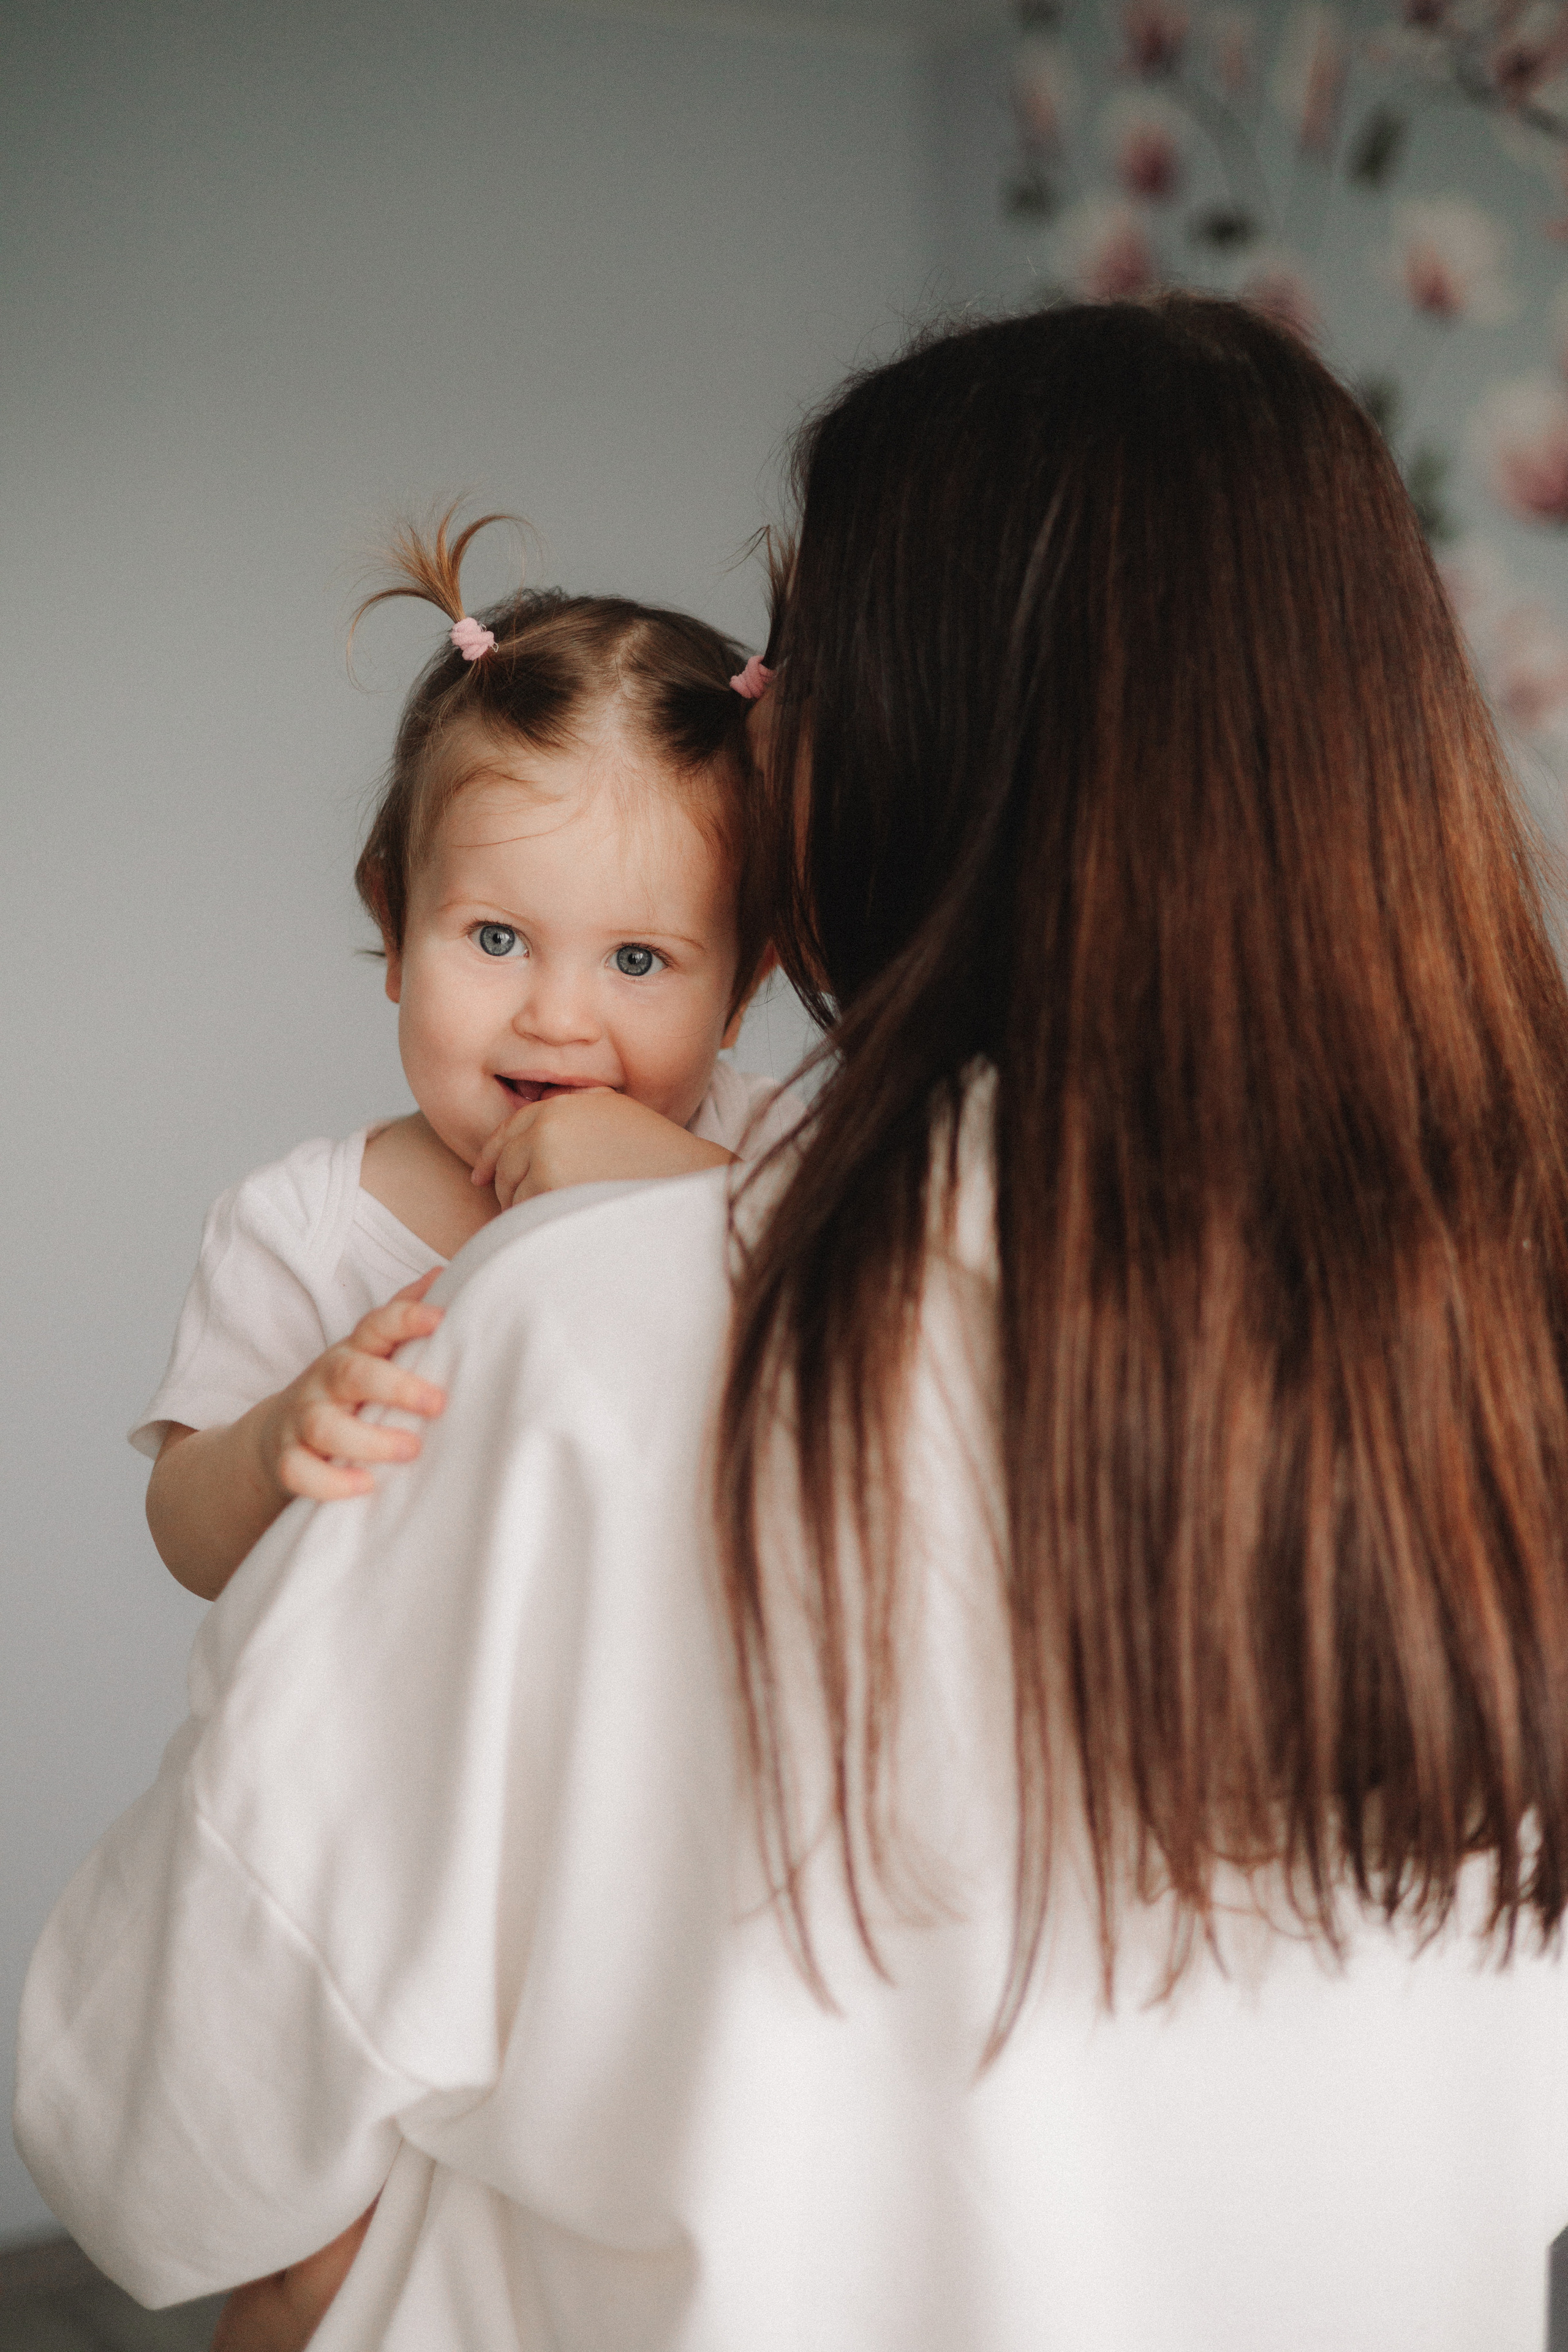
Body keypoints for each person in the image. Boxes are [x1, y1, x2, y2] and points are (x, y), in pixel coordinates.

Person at [19, 294, 1568, 2352]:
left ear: (937, 745)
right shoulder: (1505, 1354)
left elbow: (155, 2138)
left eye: (799, 665)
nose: (762, 727)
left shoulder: (594, 1331)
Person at [136, 509, 795, 1599]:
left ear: (740, 992)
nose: (559, 1019)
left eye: (638, 959)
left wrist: (686, 1190)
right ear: (395, 930)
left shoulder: (781, 1154)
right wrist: (276, 1441)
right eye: (499, 940)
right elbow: (187, 1541)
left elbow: (901, 1308)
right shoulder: (306, 1231)